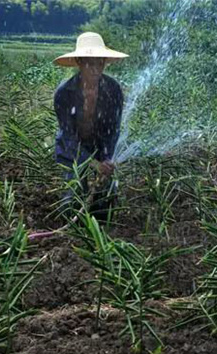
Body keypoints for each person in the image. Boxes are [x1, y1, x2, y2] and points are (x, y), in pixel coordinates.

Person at [52, 32, 128, 217]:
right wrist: (91, 163)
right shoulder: (64, 93)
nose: (95, 68)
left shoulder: (113, 90)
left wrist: (106, 160)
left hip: (101, 150)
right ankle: (70, 239)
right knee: (72, 202)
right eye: (89, 63)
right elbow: (69, 136)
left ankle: (101, 236)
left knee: (106, 202)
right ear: (79, 62)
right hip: (71, 152)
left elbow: (113, 129)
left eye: (100, 62)